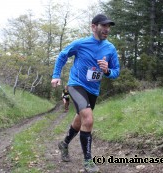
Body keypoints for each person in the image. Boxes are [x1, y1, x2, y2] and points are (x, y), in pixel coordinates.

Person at [51, 14, 120, 173]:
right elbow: (63, 55)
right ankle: (88, 160)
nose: (107, 30)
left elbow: (116, 72)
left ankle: (64, 143)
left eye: (109, 27)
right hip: (76, 84)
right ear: (94, 26)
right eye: (104, 26)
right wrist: (56, 75)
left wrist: (107, 70)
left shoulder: (110, 48)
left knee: (80, 119)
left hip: (93, 90)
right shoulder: (81, 44)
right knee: (88, 119)